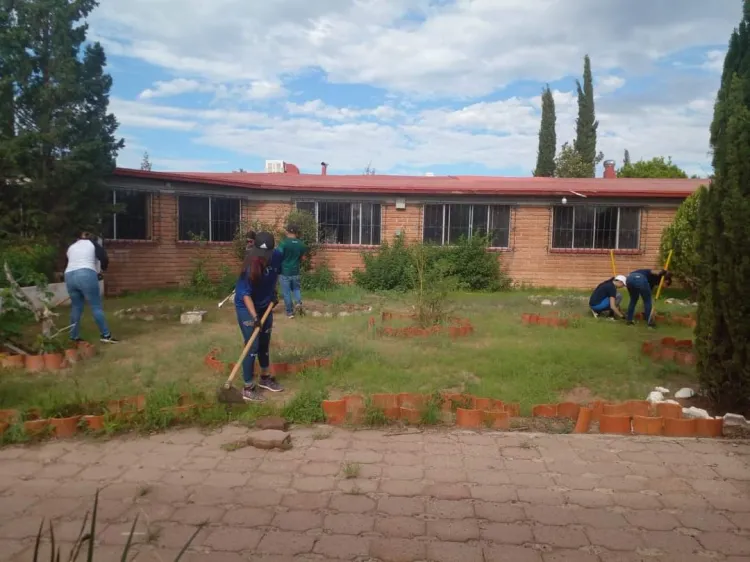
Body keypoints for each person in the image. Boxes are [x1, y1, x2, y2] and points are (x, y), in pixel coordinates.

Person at [233, 231, 284, 402]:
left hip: (265, 304)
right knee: (252, 345)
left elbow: (275, 274)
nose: (262, 257)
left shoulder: (277, 256)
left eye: (265, 254)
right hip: (246, 306)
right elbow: (245, 294)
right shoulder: (250, 264)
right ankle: (248, 387)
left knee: (264, 342)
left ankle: (265, 378)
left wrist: (273, 292)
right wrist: (255, 318)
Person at [64, 231, 118, 344]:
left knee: (76, 307)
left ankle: (74, 336)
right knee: (95, 306)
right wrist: (103, 269)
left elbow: (69, 262)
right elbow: (104, 257)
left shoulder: (71, 247)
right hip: (86, 273)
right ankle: (106, 335)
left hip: (69, 275)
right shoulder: (92, 244)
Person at [277, 223, 308, 319]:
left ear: (288, 231)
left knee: (286, 293)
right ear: (296, 232)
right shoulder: (301, 244)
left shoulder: (283, 243)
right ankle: (298, 303)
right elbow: (303, 258)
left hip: (284, 272)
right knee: (296, 289)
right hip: (295, 271)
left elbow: (278, 255)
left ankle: (290, 312)